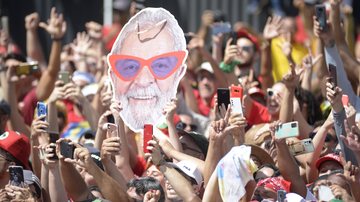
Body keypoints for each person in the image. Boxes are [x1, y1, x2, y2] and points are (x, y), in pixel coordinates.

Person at [108, 7, 188, 132]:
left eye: (160, 66)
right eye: (130, 66)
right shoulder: (107, 124)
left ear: (179, 73)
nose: (143, 81)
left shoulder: (183, 128)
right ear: (113, 77)